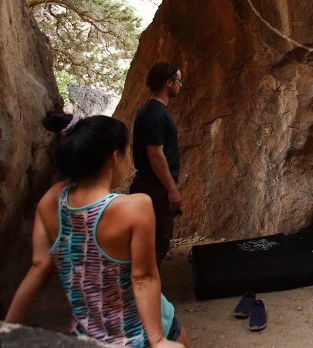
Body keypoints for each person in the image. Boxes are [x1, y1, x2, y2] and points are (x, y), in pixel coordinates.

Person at [4, 112, 189, 347]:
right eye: (127, 152)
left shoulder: (52, 199)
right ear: (115, 157)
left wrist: (9, 327)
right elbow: (143, 277)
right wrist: (157, 339)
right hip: (140, 333)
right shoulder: (135, 207)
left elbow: (39, 265)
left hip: (88, 335)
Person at [129, 62, 183, 268]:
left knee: (153, 244)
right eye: (178, 80)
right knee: (154, 245)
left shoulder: (153, 111)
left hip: (152, 186)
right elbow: (155, 155)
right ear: (168, 82)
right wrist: (172, 189)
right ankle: (148, 296)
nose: (180, 85)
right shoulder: (155, 113)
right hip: (153, 187)